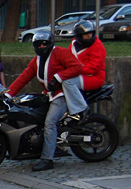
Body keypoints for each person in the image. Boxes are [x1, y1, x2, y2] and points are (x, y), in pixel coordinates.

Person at [5, 30, 83, 172]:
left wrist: (59, 77)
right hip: (49, 94)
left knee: (50, 123)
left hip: (62, 94)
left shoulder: (59, 53)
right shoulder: (37, 60)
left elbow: (77, 67)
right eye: (38, 44)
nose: (41, 47)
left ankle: (47, 159)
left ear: (51, 43)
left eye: (44, 44)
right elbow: (23, 77)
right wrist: (8, 95)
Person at [61, 19, 105, 124]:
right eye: (86, 34)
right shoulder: (73, 44)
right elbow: (67, 59)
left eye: (90, 33)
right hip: (78, 75)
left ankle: (81, 109)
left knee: (68, 82)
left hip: (93, 77)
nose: (89, 36)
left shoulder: (97, 46)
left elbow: (93, 68)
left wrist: (74, 70)